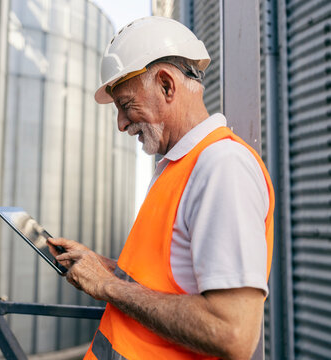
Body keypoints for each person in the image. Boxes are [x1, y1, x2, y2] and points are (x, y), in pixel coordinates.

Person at [47, 16, 274, 360]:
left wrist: (108, 286)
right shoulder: (179, 166)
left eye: (125, 106)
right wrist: (100, 267)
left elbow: (233, 332)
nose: (121, 124)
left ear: (167, 86)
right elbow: (163, 282)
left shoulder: (222, 167)